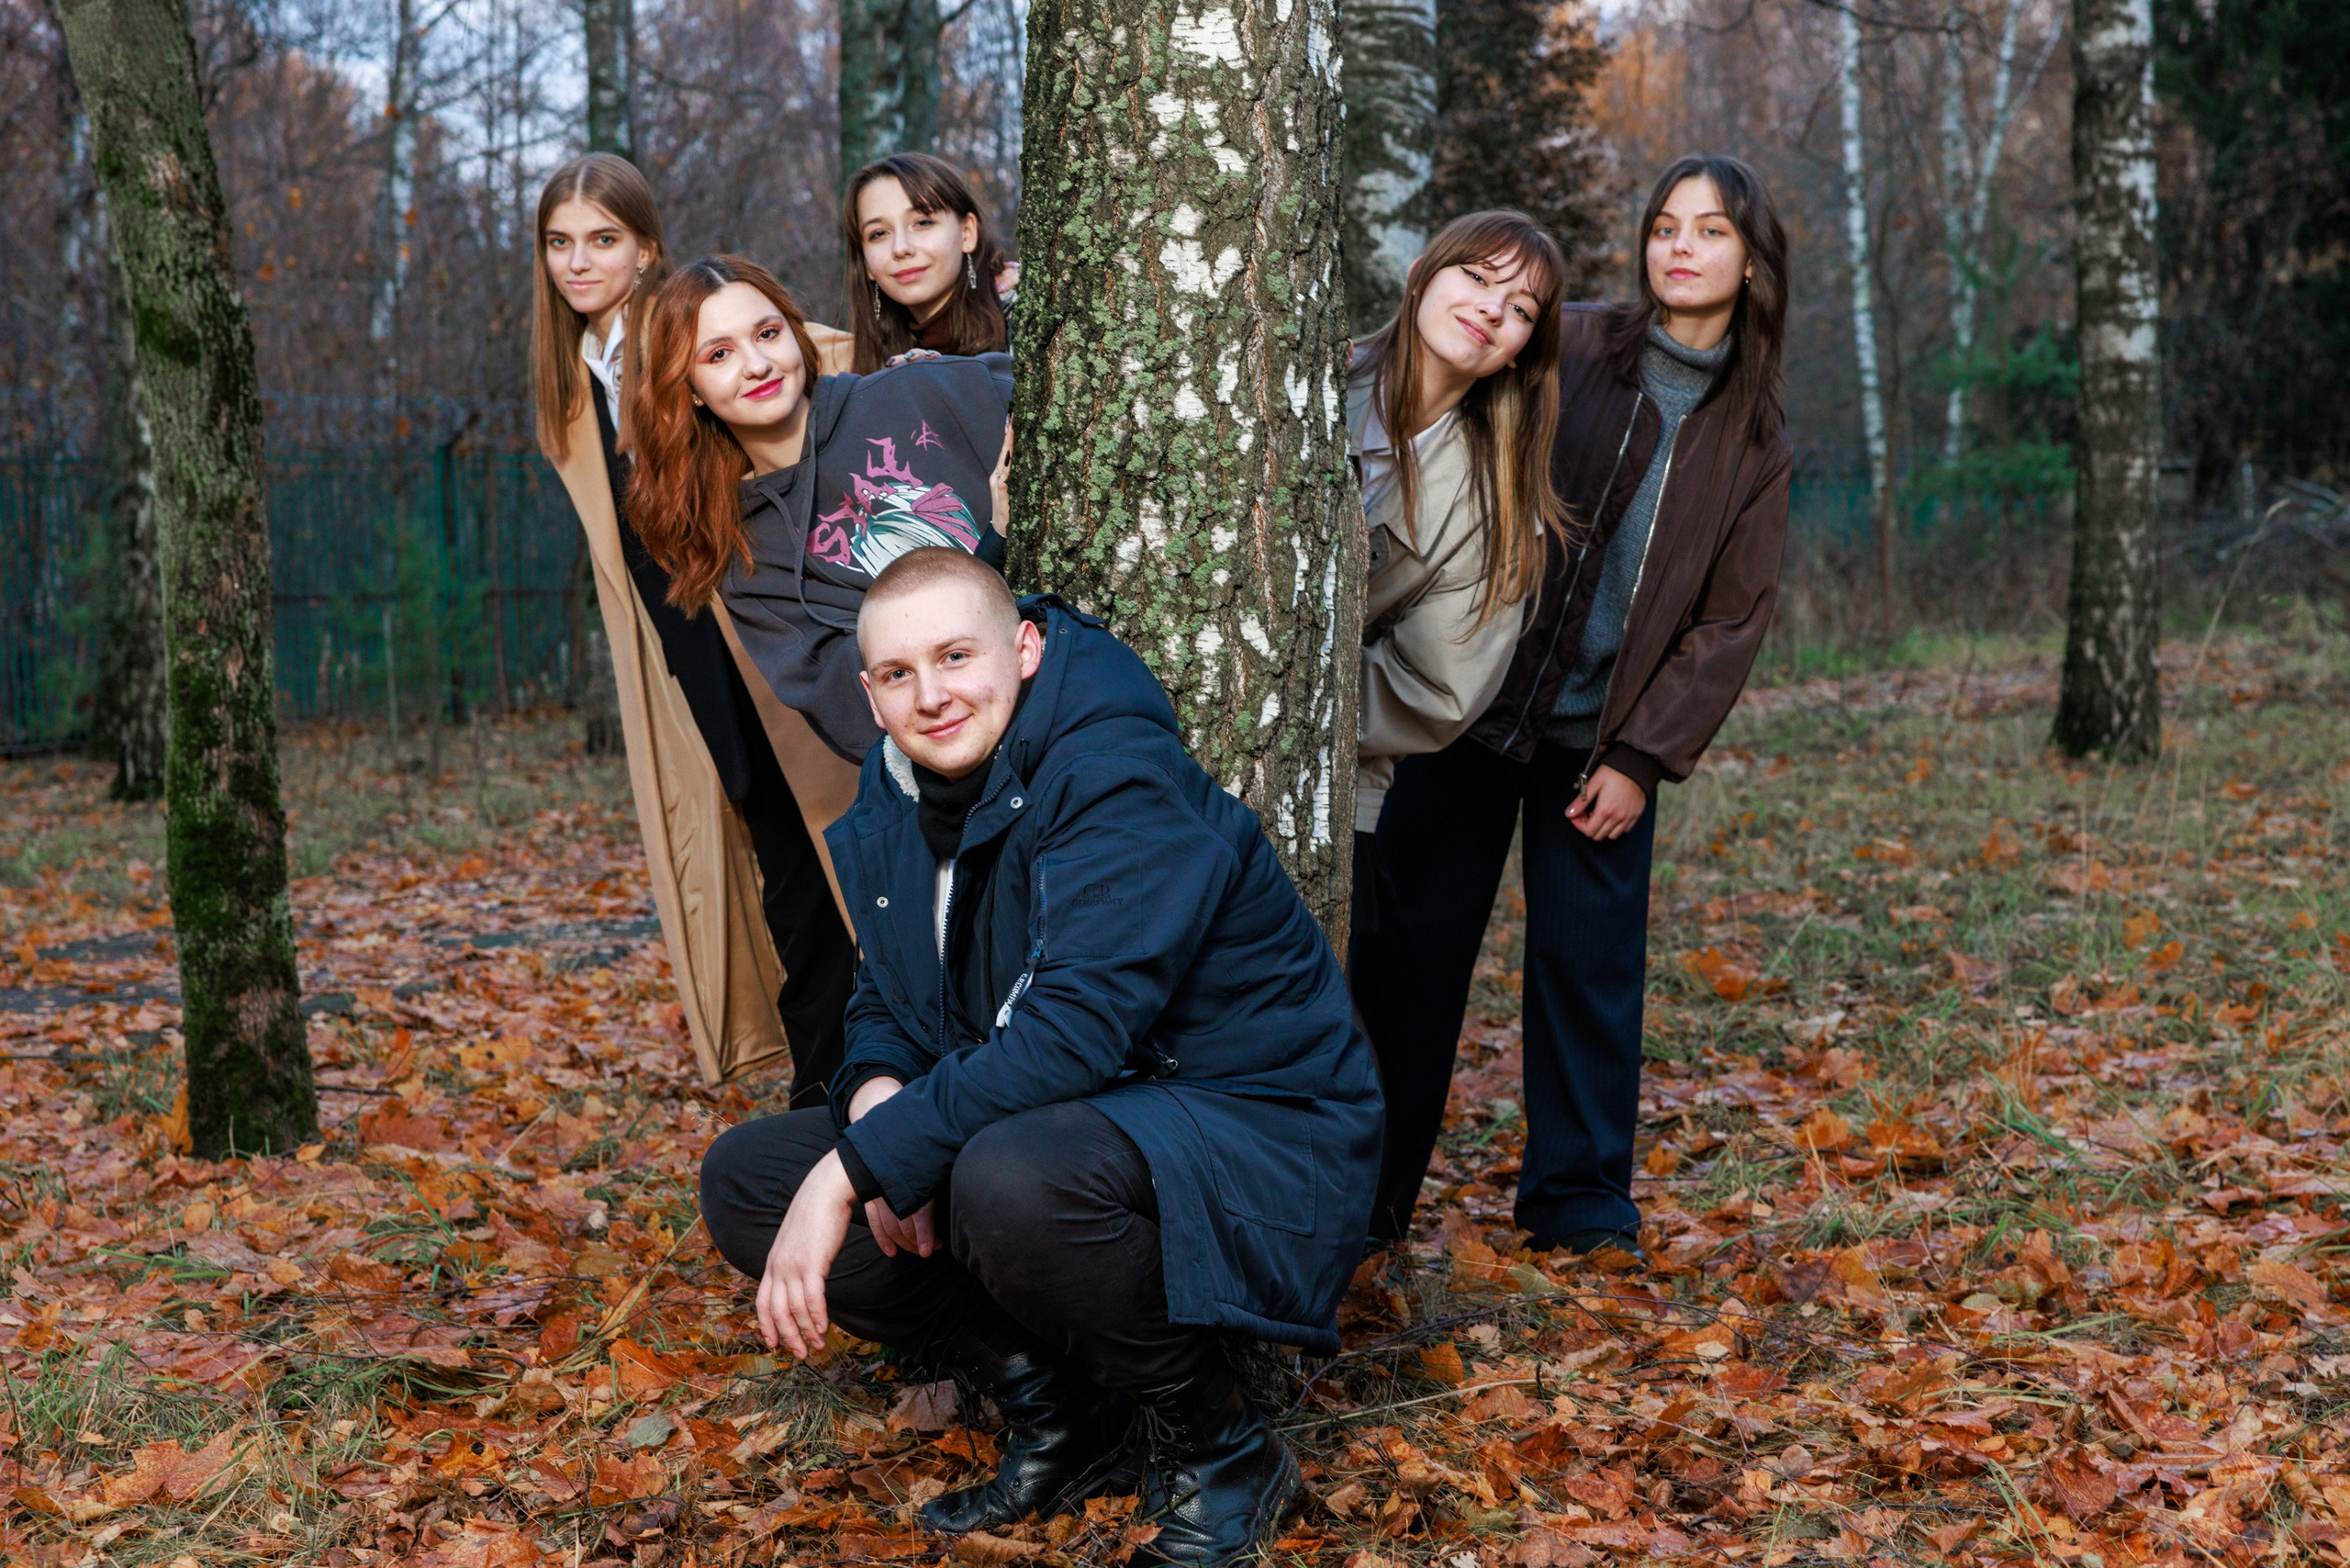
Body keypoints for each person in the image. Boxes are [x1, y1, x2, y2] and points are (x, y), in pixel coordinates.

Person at [697, 550, 1382, 1567]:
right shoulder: (895, 786)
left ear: (1022, 649)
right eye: (897, 674)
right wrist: (881, 1101)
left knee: (999, 1180)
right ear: (869, 693)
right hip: (1086, 1111)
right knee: (750, 1180)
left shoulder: (1109, 767)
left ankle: (1220, 1447)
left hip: (1256, 1122)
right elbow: (886, 993)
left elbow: (1074, 1032)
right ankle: (1060, 1414)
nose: (931, 697)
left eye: (956, 655)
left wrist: (862, 1164)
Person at [1351, 154, 1792, 1258]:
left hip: (1595, 744)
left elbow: (1730, 621)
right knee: (1407, 955)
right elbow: (1441, 386)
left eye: (1710, 232)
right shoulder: (1574, 342)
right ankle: (1365, 1198)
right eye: (1662, 225)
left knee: (1587, 966)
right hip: (1465, 707)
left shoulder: (1754, 439)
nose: (1679, 247)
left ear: (1752, 264)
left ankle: (1580, 1204)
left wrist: (1643, 758)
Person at [532, 153, 856, 1103]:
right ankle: (827, 1081)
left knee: (817, 865)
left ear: (647, 248)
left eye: (603, 240)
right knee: (780, 870)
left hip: (769, 639)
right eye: (560, 242)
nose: (580, 262)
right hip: (692, 664)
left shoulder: (687, 340)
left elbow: (818, 355)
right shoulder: (574, 386)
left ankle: (835, 1094)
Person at [627, 253, 1016, 766]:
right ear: (691, 390)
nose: (757, 364)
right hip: (979, 778)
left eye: (767, 333)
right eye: (719, 355)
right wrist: (995, 545)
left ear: (795, 332)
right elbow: (857, 720)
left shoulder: (920, 390)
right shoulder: (749, 557)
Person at [1347, 210, 1571, 937]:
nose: (1490, 307)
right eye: (1475, 277)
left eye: (1520, 308)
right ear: (1419, 279)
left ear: (1519, 352)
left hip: (1326, 787)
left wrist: (1278, 699)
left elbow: (1436, 689)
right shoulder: (1296, 377)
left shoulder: (1497, 509)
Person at [843, 152, 1018, 370]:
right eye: (878, 234)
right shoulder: (870, 359)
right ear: (866, 262)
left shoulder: (1022, 322)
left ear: (967, 233)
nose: (900, 248)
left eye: (922, 223)